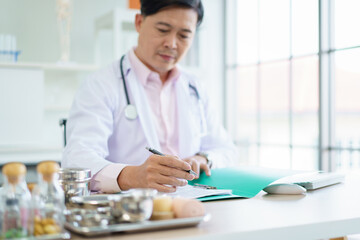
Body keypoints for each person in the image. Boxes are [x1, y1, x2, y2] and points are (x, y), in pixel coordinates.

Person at [62, 0, 237, 193]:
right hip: (129, 211)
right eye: (163, 30)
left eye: (184, 35)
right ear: (139, 22)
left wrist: (204, 158)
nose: (171, 44)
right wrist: (131, 176)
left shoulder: (195, 86)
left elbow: (226, 150)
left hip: (193, 205)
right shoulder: (101, 84)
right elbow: (77, 159)